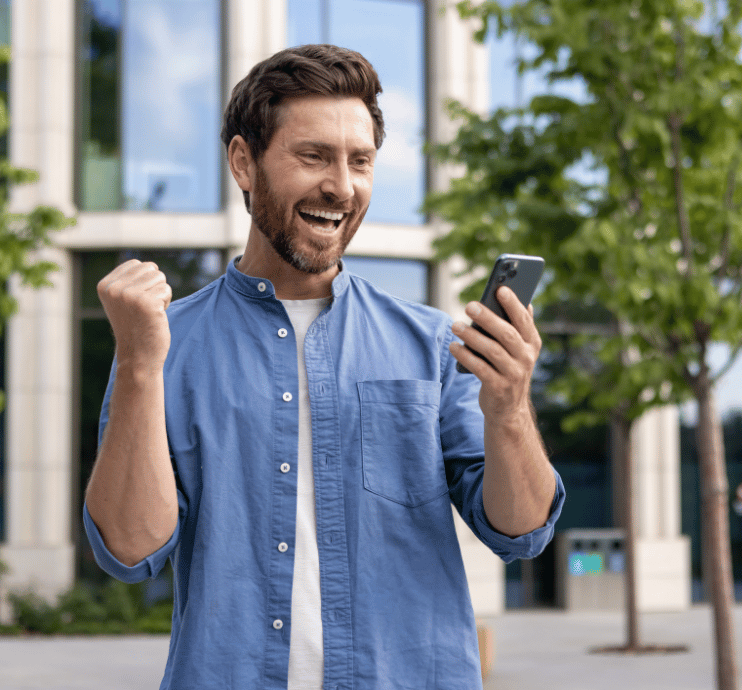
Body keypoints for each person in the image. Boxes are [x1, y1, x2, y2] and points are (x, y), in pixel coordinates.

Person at [84, 44, 565, 690]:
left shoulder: (431, 345)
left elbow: (521, 532)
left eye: (359, 161)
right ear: (243, 163)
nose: (341, 185)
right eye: (313, 156)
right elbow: (129, 549)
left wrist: (509, 411)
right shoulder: (163, 344)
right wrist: (140, 365)